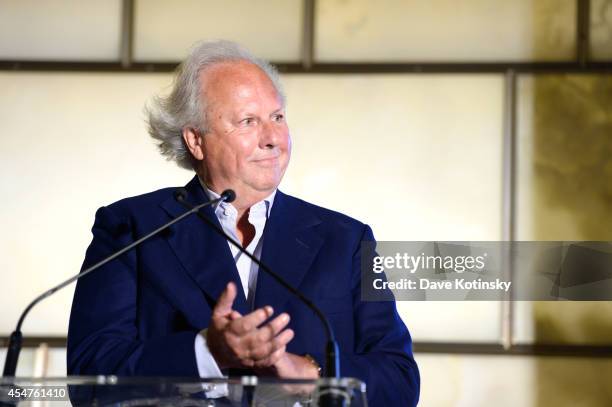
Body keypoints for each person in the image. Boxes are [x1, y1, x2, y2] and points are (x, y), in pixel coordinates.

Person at [67, 40, 419, 405]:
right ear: (196, 140)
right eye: (248, 121)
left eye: (278, 117)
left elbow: (399, 380)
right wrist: (208, 353)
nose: (273, 139)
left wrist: (309, 374)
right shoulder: (132, 228)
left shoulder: (346, 240)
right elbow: (89, 377)